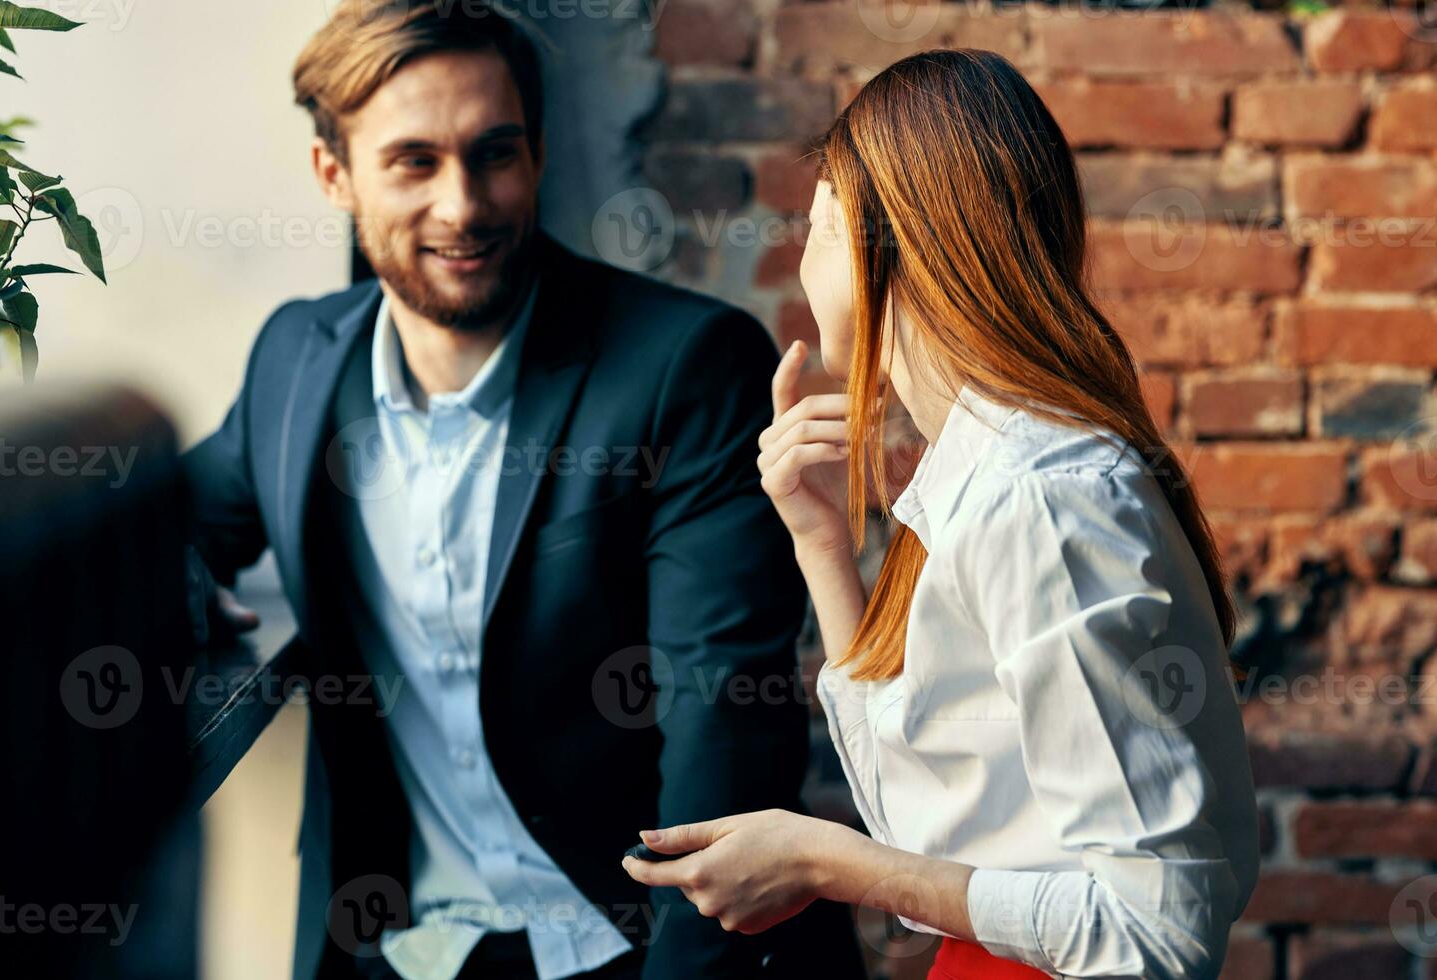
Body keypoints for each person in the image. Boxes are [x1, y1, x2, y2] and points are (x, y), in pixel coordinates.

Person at [185, 2, 866, 978]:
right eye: (414, 162)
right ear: (334, 175)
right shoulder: (295, 359)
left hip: (636, 941)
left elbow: (724, 744)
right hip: (395, 942)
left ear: (538, 154)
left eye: (492, 153)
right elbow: (174, 522)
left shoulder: (686, 368)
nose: (462, 204)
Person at [622, 49, 1261, 980]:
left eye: (816, 227)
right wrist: (821, 543)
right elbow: (922, 818)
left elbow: (1156, 931)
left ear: (881, 246)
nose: (801, 265)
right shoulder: (987, 466)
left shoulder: (1042, 493)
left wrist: (825, 863)